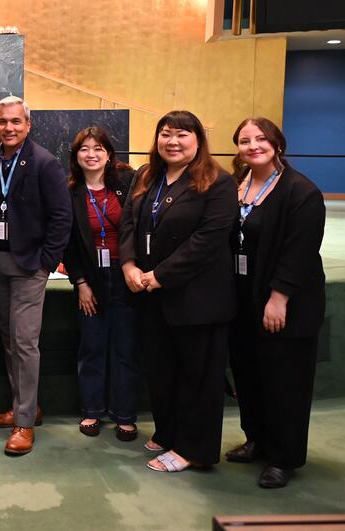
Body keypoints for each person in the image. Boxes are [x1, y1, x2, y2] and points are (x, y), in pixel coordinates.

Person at [118, 110, 237, 473]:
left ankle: (194, 449)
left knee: (197, 376)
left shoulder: (218, 182)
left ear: (198, 140)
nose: (173, 142)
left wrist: (159, 275)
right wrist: (128, 265)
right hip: (151, 296)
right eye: (166, 134)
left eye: (182, 135)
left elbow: (208, 241)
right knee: (162, 370)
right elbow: (128, 224)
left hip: (197, 298)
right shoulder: (146, 176)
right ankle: (169, 432)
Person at [224, 117, 326, 488]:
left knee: (285, 381)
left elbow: (299, 252)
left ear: (277, 144)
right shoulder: (240, 184)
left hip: (285, 303)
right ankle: (257, 440)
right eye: (245, 140)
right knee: (249, 374)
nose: (253, 146)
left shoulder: (301, 192)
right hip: (243, 298)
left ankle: (284, 457)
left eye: (261, 139)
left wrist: (278, 298)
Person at [0, 96, 72, 455]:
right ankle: (24, 406)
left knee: (25, 343)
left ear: (28, 125)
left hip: (30, 267)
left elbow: (62, 217)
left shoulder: (45, 163)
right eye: (3, 122)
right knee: (9, 340)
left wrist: (47, 262)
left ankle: (24, 423)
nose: (9, 128)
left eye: (16, 122)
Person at [62, 127, 141, 442]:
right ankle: (92, 410)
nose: (91, 154)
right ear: (76, 156)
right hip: (91, 280)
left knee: (126, 349)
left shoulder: (127, 186)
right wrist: (80, 281)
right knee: (92, 347)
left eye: (98, 148)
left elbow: (137, 230)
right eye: (84, 149)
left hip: (126, 277)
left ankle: (125, 415)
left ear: (109, 154)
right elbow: (69, 243)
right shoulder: (70, 192)